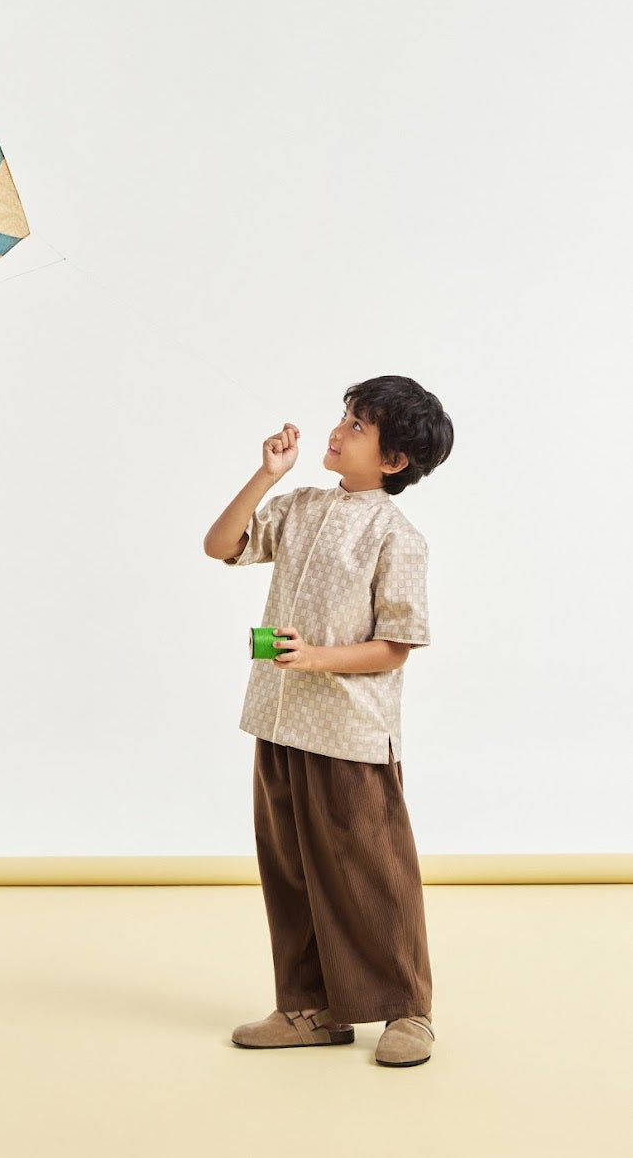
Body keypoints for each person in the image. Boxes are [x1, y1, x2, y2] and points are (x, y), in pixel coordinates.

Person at [203, 374, 453, 1067]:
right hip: (278, 721)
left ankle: (408, 1009)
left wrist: (315, 658)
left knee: (373, 874)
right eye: (344, 417)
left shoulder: (397, 537)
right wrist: (266, 475)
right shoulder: (300, 506)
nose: (338, 431)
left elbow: (394, 646)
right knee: (289, 870)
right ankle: (309, 1009)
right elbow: (220, 545)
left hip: (349, 731)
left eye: (357, 426)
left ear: (393, 460)